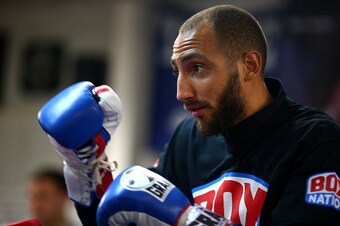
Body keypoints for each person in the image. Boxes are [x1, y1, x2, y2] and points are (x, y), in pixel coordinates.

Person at [37, 5, 340, 226]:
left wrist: (191, 221)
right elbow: (123, 216)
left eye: (197, 68)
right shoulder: (189, 137)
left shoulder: (313, 138)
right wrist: (86, 170)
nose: (181, 92)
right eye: (177, 71)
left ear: (249, 65)